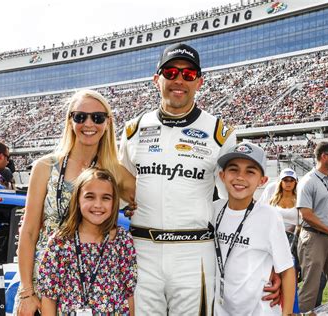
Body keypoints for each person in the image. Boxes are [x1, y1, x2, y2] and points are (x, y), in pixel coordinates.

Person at [119, 43, 279, 315]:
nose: (179, 79)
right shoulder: (133, 130)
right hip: (141, 251)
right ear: (157, 79)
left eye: (189, 74)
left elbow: (240, 203)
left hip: (194, 253)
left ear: (199, 82)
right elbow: (122, 190)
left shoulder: (220, 132)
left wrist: (270, 259)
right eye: (171, 72)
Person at [16, 90, 135, 316]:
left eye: (97, 117)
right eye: (80, 117)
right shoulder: (45, 167)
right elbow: (29, 232)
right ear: (70, 121)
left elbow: (151, 199)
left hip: (95, 289)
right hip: (44, 285)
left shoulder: (115, 172)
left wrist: (132, 207)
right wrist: (26, 291)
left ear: (108, 123)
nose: (88, 123)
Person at [37, 168, 137, 315]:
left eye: (106, 198)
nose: (98, 204)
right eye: (90, 197)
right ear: (77, 199)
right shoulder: (60, 242)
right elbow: (49, 298)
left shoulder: (122, 241)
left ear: (114, 202)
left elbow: (129, 294)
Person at [213, 142, 295, 315]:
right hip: (219, 309)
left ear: (262, 180)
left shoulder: (269, 216)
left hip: (259, 310)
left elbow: (287, 270)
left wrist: (287, 313)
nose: (240, 177)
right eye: (233, 169)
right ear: (222, 175)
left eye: (250, 171)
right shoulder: (212, 210)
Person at [296, 142, 328, 312]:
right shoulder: (308, 181)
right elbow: (306, 214)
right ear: (324, 156)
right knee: (312, 284)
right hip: (313, 237)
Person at [268, 168, 301, 314]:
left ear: (295, 182)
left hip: (292, 243)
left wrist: (292, 245)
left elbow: (300, 224)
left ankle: (290, 310)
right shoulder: (273, 200)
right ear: (280, 182)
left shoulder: (299, 199)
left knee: (290, 279)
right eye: (285, 180)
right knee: (271, 278)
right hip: (272, 243)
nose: (288, 183)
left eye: (291, 180)